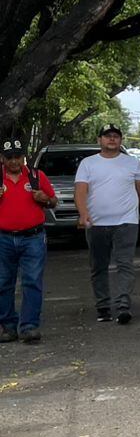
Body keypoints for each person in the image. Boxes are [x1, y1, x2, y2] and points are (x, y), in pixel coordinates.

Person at [73, 124, 140, 324]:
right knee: (98, 266)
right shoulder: (88, 164)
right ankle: (103, 306)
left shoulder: (133, 163)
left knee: (125, 264)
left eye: (116, 136)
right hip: (97, 223)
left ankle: (123, 305)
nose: (112, 139)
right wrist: (83, 214)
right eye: (107, 136)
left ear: (121, 140)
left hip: (126, 222)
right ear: (100, 139)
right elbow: (81, 191)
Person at [0, 139, 57, 344]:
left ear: (23, 157)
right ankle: (7, 327)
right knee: (3, 283)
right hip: (3, 238)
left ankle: (29, 326)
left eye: (17, 157)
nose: (14, 161)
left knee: (32, 281)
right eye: (9, 158)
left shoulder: (36, 176)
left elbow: (53, 201)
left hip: (32, 237)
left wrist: (44, 198)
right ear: (2, 159)